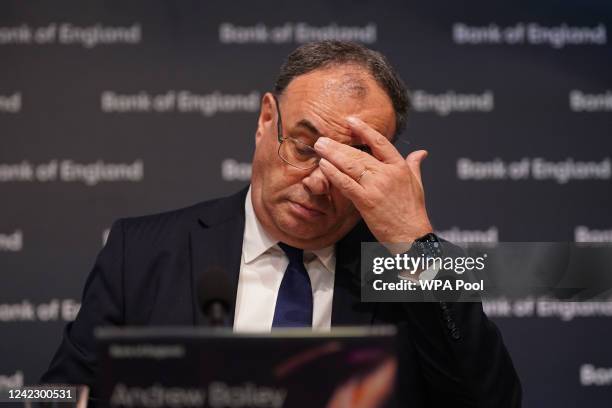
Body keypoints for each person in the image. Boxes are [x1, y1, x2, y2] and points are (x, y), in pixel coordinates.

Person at [42, 40, 521, 406]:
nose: (317, 182)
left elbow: (497, 402)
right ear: (265, 120)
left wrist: (416, 244)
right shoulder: (141, 249)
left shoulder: (420, 267)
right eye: (305, 146)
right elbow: (46, 394)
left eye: (350, 164)